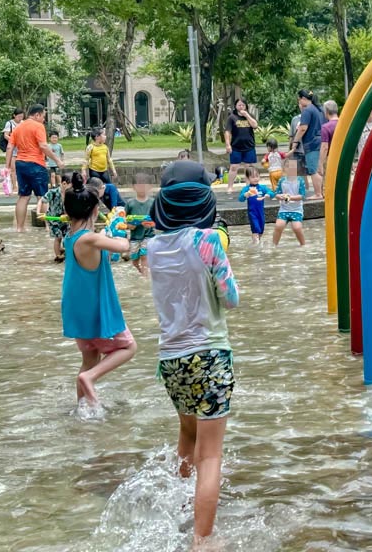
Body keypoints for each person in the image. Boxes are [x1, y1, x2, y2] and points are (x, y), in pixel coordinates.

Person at [148, 160, 239, 547]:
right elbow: (231, 299)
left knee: (186, 435)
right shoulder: (209, 242)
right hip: (210, 357)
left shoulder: (152, 248)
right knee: (211, 455)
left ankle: (181, 506)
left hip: (170, 361)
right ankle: (202, 541)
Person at [61, 172, 138, 406]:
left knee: (90, 358)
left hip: (76, 309)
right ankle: (90, 378)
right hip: (95, 310)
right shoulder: (91, 239)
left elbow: (97, 239)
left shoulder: (72, 237)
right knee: (129, 347)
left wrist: (105, 232)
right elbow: (123, 246)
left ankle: (84, 408)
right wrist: (120, 228)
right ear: (95, 211)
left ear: (67, 213)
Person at [5, 104, 62, 233]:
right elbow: (43, 146)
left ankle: (20, 228)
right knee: (42, 196)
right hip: (36, 164)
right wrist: (57, 160)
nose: (43, 120)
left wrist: (7, 167)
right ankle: (49, 228)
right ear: (37, 115)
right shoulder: (38, 126)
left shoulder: (18, 128)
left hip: (20, 164)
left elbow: (9, 147)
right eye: (43, 116)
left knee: (23, 196)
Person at [289, 89, 325, 199]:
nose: (299, 102)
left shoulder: (307, 110)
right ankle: (321, 192)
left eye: (299, 99)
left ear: (304, 99)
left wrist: (295, 141)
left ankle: (318, 193)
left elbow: (303, 128)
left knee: (313, 169)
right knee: (319, 168)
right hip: (321, 141)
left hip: (311, 143)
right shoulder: (319, 109)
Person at [224, 99, 259, 194]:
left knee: (248, 167)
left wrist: (246, 115)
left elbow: (255, 126)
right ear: (235, 106)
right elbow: (227, 131)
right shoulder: (232, 117)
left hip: (249, 146)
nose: (241, 107)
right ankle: (230, 187)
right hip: (236, 146)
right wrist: (227, 144)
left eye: (243, 105)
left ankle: (248, 186)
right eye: (239, 105)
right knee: (234, 167)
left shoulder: (249, 116)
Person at [37, 170, 72, 262]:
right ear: (64, 184)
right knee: (58, 237)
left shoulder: (70, 194)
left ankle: (65, 251)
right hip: (53, 219)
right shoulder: (53, 192)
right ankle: (58, 256)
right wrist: (38, 212)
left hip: (65, 219)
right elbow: (42, 200)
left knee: (68, 236)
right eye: (70, 187)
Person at [125, 173, 156, 275]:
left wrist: (151, 225)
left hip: (148, 235)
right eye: (139, 185)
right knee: (134, 260)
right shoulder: (130, 203)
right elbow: (124, 221)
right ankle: (142, 272)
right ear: (133, 187)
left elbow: (157, 220)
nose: (142, 188)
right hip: (135, 236)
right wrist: (130, 226)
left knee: (144, 256)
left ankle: (145, 276)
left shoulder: (153, 202)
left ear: (150, 187)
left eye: (144, 185)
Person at [273, 156, 306, 246]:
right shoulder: (282, 181)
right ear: (284, 169)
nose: (290, 169)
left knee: (297, 227)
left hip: (296, 209)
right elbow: (276, 193)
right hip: (284, 209)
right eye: (288, 166)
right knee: (278, 226)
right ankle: (274, 245)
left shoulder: (300, 181)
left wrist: (290, 197)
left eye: (293, 167)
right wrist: (280, 196)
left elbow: (302, 196)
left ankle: (303, 245)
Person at [239, 166, 275, 244]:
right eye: (253, 177)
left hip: (261, 212)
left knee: (261, 230)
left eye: (257, 176)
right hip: (252, 212)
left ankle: (256, 242)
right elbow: (240, 199)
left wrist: (267, 195)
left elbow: (272, 193)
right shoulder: (246, 189)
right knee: (255, 228)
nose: (255, 178)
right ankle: (256, 245)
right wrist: (246, 194)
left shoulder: (262, 188)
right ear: (248, 178)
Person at [1, 107, 24, 192]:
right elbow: (5, 135)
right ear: (14, 115)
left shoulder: (23, 123)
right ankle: (14, 186)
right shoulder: (9, 123)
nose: (20, 118)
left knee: (21, 168)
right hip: (13, 148)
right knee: (13, 168)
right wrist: (13, 140)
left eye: (22, 116)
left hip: (22, 148)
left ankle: (22, 184)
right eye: (18, 116)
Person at [318, 100, 339, 177]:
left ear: (326, 111)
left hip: (331, 159)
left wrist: (320, 163)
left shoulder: (326, 127)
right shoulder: (345, 125)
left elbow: (324, 147)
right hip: (344, 158)